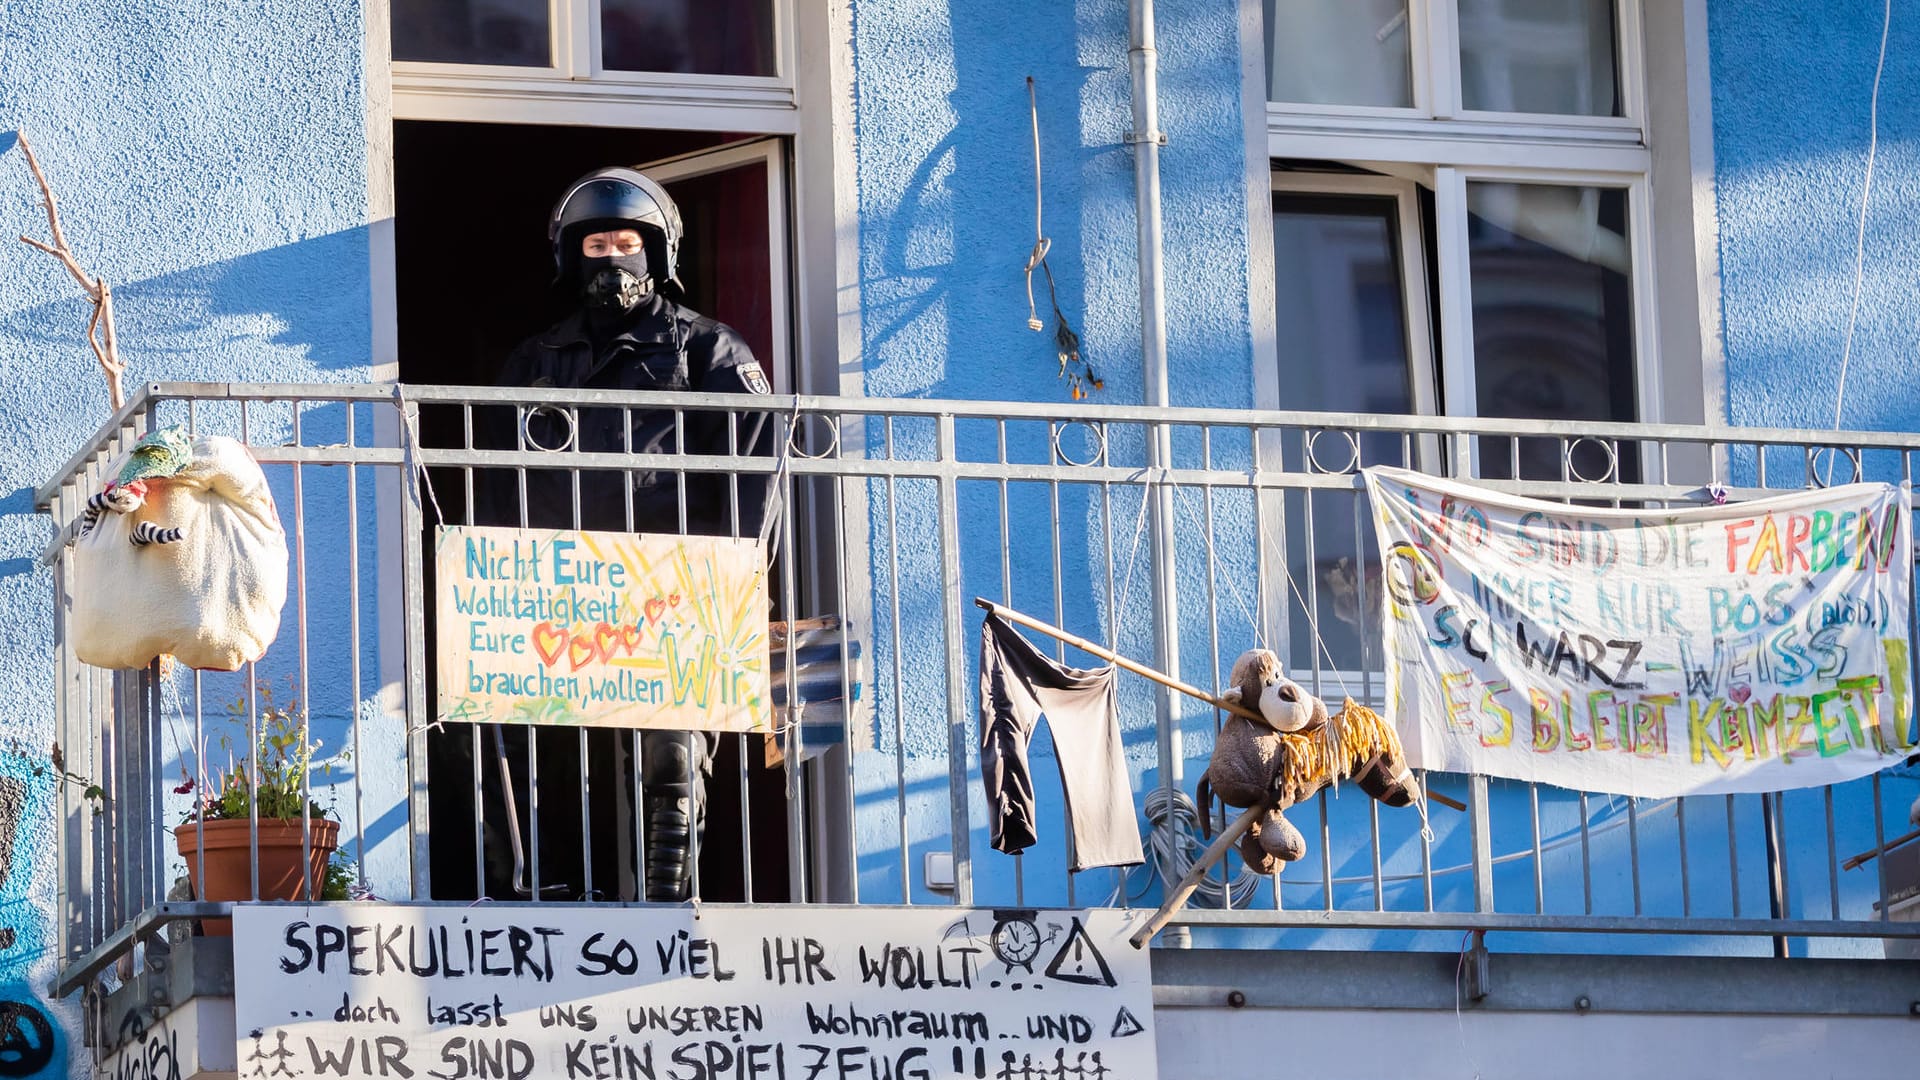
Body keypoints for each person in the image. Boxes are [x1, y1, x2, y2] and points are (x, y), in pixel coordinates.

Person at [434, 166, 774, 904]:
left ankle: (667, 900)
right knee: (535, 746)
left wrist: (739, 583)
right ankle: (547, 893)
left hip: (674, 589)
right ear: (569, 257)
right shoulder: (534, 362)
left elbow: (756, 474)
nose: (612, 258)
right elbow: (496, 482)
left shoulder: (710, 353)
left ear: (657, 251)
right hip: (557, 586)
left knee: (673, 757)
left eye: (626, 242)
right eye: (596, 245)